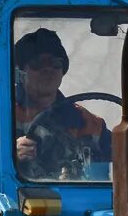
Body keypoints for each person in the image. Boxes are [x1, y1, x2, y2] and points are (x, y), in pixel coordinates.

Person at [13, 28, 111, 179]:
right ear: (20, 72)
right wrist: (10, 155)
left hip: (83, 200)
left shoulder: (87, 123)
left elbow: (123, 160)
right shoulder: (3, 117)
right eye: (37, 63)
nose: (47, 69)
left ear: (63, 70)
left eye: (55, 63)